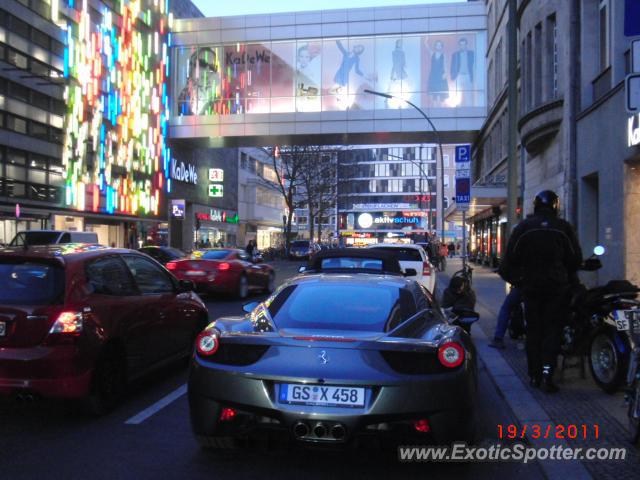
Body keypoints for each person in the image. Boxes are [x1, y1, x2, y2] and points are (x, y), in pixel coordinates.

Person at [499, 190, 582, 393]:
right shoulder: (563, 228)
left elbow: (509, 260)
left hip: (531, 288)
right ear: (555, 205)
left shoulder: (524, 228)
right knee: (552, 331)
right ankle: (547, 373)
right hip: (556, 289)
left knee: (534, 331)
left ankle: (534, 374)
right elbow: (575, 259)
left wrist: (519, 280)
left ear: (535, 205)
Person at [450, 37, 475, 106]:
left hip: (468, 76)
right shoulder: (455, 54)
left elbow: (474, 65)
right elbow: (452, 66)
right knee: (458, 96)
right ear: (459, 45)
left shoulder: (471, 54)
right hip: (459, 76)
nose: (462, 46)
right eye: (461, 45)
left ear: (466, 45)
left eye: (464, 44)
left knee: (468, 95)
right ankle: (458, 111)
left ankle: (469, 112)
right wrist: (453, 76)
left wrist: (473, 77)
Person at [427, 40, 449, 106]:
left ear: (441, 47)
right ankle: (434, 111)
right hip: (433, 75)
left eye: (440, 45)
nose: (438, 46)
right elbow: (427, 47)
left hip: (441, 76)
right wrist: (426, 42)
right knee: (434, 95)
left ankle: (441, 111)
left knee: (441, 95)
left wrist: (445, 73)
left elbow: (445, 65)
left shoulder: (443, 55)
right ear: (435, 46)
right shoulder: (432, 53)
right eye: (437, 45)